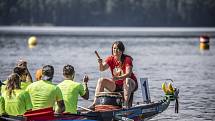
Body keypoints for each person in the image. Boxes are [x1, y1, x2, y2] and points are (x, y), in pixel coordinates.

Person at [91, 41, 138, 109]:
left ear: (122, 50)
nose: (115, 50)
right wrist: (100, 63)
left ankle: (125, 105)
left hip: (131, 84)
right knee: (101, 80)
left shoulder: (127, 59)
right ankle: (95, 103)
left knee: (127, 80)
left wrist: (118, 78)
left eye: (118, 49)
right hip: (117, 85)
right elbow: (102, 69)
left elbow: (128, 74)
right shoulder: (110, 59)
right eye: (114, 48)